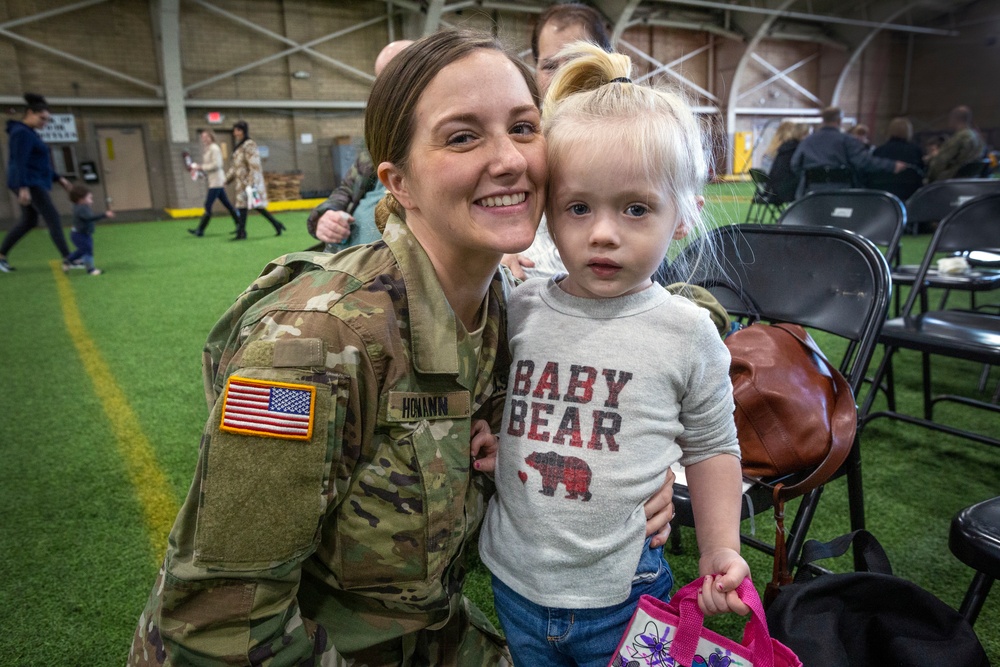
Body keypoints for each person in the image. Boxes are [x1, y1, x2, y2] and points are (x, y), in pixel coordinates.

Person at [129, 29, 674, 665]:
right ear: (399, 183)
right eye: (463, 136)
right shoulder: (314, 346)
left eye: (524, 128)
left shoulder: (505, 307)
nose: (511, 160)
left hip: (422, 632)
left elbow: (665, 319)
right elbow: (216, 626)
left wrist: (630, 474)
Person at [476, 42, 750, 667]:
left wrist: (719, 548)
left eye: (635, 208)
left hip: (624, 594)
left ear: (682, 215)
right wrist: (492, 435)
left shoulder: (687, 333)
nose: (603, 232)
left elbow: (712, 447)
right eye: (579, 207)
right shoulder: (520, 308)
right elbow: (500, 404)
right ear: (547, 213)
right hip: (514, 583)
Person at [501, 1, 613, 281]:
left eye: (576, 62)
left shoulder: (633, 137)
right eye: (550, 65)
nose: (563, 75)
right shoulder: (520, 137)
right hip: (531, 282)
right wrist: (501, 245)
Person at [306, 39, 413, 251]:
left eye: (403, 72)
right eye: (384, 79)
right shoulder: (378, 137)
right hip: (342, 259)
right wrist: (326, 216)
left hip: (387, 273)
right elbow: (346, 189)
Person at [1, 93, 74, 273]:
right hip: (29, 183)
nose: (45, 123)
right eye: (42, 118)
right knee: (53, 218)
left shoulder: (30, 133)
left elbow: (39, 163)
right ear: (30, 113)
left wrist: (59, 178)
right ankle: (69, 258)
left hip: (32, 181)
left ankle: (1, 255)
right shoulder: (21, 133)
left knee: (29, 221)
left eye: (47, 120)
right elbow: (20, 161)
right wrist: (23, 187)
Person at [790, 106, 908, 198]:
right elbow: (863, 162)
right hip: (841, 193)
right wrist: (892, 165)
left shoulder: (807, 141)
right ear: (839, 120)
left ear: (823, 120)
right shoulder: (847, 140)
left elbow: (795, 164)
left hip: (811, 193)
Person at [226, 120, 286, 239]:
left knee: (256, 207)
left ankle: (275, 224)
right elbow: (235, 167)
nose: (235, 133)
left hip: (249, 183)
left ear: (243, 131)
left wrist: (251, 183)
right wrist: (226, 179)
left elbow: (254, 165)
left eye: (237, 130)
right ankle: (242, 232)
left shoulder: (249, 145)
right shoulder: (239, 147)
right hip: (240, 184)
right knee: (243, 207)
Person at [187, 128, 241, 237]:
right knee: (228, 205)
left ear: (211, 137)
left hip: (217, 181)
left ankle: (200, 230)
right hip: (213, 181)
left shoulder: (214, 148)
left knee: (208, 205)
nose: (204, 139)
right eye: (202, 137)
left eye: (206, 137)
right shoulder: (208, 149)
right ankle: (240, 224)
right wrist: (202, 171)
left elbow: (217, 165)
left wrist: (200, 167)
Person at [868, 116, 925, 201]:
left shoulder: (878, 151)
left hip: (882, 196)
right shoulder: (915, 151)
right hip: (909, 196)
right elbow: (920, 173)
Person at [926, 105, 986, 182]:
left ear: (954, 118)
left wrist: (929, 179)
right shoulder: (977, 138)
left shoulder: (959, 138)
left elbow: (940, 162)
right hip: (971, 181)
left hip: (951, 181)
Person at [65, 184, 113, 276]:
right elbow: (89, 218)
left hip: (83, 234)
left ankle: (68, 260)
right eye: (89, 198)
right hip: (79, 234)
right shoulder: (81, 208)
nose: (92, 201)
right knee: (87, 251)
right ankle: (90, 269)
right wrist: (104, 215)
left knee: (84, 250)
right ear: (81, 199)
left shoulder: (81, 206)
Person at [764, 121, 809, 204]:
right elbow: (796, 168)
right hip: (786, 191)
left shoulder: (783, 148)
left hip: (773, 189)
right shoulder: (797, 149)